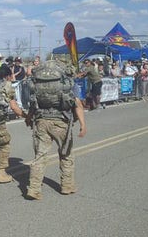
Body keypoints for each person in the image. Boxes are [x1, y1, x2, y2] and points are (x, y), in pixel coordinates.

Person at [24, 60, 87, 200]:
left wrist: (29, 118)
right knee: (66, 154)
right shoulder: (67, 83)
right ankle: (67, 186)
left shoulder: (38, 83)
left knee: (40, 156)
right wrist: (83, 124)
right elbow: (77, 104)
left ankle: (34, 189)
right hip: (61, 122)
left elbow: (33, 104)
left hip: (41, 121)